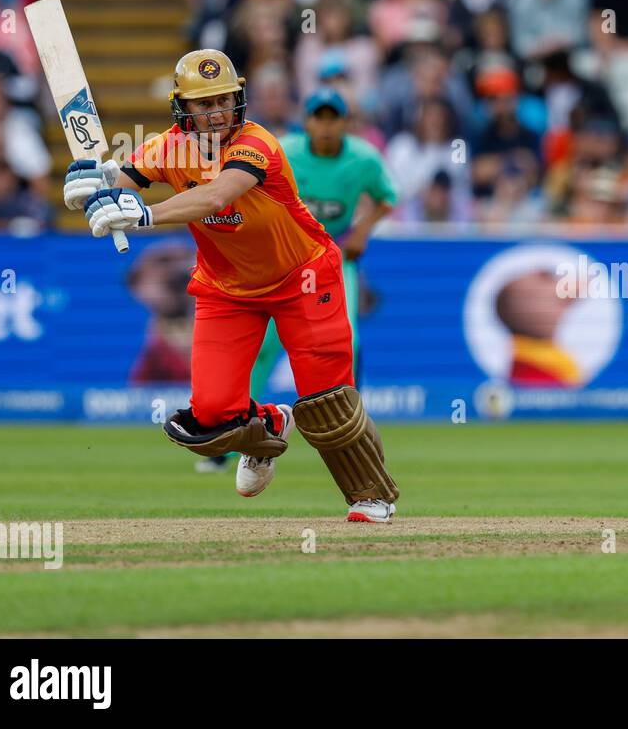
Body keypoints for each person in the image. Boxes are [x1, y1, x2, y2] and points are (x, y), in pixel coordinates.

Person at [64, 51, 400, 522]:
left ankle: (370, 494)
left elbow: (218, 194)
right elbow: (122, 178)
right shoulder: (168, 147)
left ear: (238, 99)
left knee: (328, 400)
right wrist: (92, 182)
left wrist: (145, 214)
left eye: (224, 100)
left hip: (303, 277)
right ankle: (267, 424)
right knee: (212, 414)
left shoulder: (256, 144)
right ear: (183, 108)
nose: (217, 112)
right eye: (205, 104)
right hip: (228, 288)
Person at [201, 88, 396, 477]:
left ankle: (352, 433)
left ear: (344, 123)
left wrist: (361, 232)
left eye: (332, 118)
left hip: (329, 257)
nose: (325, 126)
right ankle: (234, 436)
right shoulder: (283, 149)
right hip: (279, 260)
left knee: (347, 344)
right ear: (306, 121)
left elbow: (387, 197)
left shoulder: (363, 158)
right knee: (262, 349)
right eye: (318, 118)